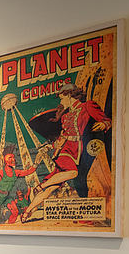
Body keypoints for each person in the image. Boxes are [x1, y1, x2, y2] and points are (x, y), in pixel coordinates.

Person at [19, 82, 110, 221]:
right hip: (66, 150)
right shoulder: (65, 116)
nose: (61, 102)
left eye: (62, 98)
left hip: (78, 150)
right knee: (73, 173)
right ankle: (41, 186)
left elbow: (105, 119)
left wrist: (104, 123)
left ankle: (27, 213)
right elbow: (63, 136)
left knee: (51, 187)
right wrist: (52, 146)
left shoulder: (87, 106)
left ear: (70, 95)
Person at [0, 151, 36, 223]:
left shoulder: (16, 172)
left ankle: (9, 228)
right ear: (5, 161)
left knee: (15, 212)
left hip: (8, 196)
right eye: (10, 158)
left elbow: (29, 171)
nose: (13, 159)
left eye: (13, 157)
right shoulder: (1, 172)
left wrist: (37, 162)